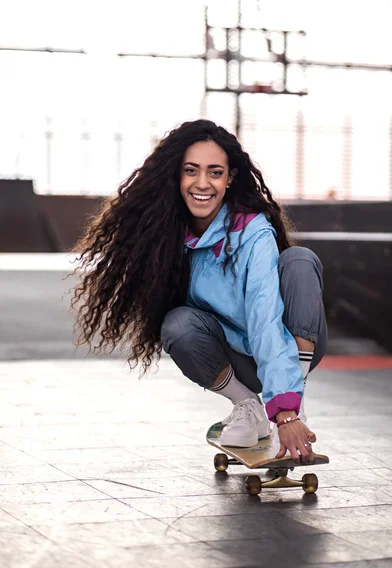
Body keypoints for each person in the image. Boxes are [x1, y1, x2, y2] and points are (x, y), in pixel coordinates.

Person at [71, 119, 327, 460]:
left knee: (299, 261)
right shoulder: (166, 237)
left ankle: (295, 398)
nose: (202, 183)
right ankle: (247, 407)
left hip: (289, 346)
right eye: (191, 171)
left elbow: (265, 317)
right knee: (177, 324)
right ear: (177, 176)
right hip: (237, 359)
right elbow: (183, 329)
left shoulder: (253, 231)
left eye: (215, 172)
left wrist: (286, 411)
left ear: (230, 179)